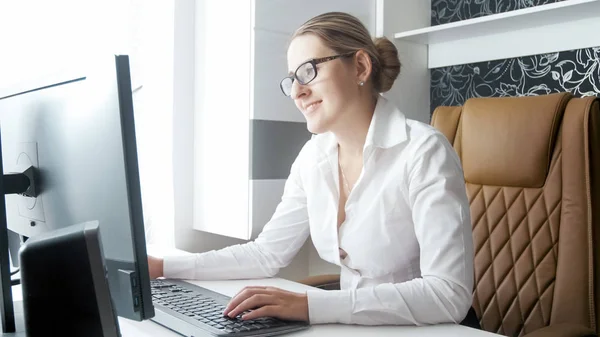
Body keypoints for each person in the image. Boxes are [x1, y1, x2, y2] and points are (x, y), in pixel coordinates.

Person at [148, 11, 475, 326]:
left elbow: (448, 294)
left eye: (308, 71)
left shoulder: (423, 151)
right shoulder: (313, 158)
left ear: (360, 66)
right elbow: (266, 254)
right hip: (355, 327)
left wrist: (310, 305)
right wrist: (163, 266)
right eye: (292, 79)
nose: (296, 92)